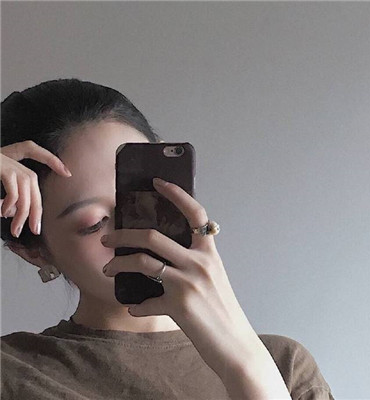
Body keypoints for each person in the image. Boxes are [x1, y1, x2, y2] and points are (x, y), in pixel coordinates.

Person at [0, 78, 334, 400]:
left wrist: (244, 361)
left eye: (144, 198)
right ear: (33, 251)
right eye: (95, 223)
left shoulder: (282, 366)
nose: (138, 232)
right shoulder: (14, 372)